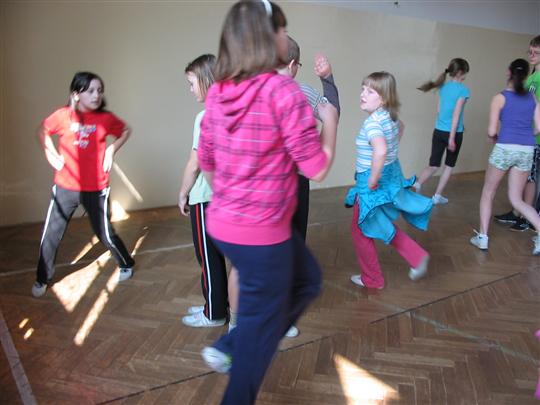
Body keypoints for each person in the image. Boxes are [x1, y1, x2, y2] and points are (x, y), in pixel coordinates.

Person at [197, 1, 338, 404]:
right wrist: (331, 125)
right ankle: (239, 350)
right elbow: (316, 168)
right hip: (263, 235)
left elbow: (207, 160)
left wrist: (232, 200)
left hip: (225, 226)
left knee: (307, 279)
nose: (285, 36)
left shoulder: (219, 91)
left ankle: (233, 343)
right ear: (264, 37)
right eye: (281, 29)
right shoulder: (283, 91)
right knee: (257, 348)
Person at [226, 36, 341, 338]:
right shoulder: (299, 92)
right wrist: (328, 80)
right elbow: (332, 114)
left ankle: (238, 323)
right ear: (292, 65)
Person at [32, 72, 135, 298]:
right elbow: (42, 130)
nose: (96, 95)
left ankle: (126, 263)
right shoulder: (63, 115)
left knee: (105, 233)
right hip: (65, 187)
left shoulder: (105, 118)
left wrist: (111, 149)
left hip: (96, 188)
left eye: (99, 90)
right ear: (76, 94)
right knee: (51, 235)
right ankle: (42, 277)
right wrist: (50, 153)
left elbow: (126, 130)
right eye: (90, 91)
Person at [345, 71, 432, 290]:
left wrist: (373, 180)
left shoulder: (372, 123)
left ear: (383, 98)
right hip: (389, 177)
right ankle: (415, 256)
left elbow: (381, 150)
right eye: (363, 89)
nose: (362, 94)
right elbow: (401, 128)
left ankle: (373, 279)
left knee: (360, 229)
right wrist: (391, 154)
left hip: (371, 182)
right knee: (376, 223)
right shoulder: (389, 117)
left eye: (370, 91)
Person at [178, 54, 230, 328]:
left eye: (191, 83)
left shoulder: (205, 117)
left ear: (206, 80)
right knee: (216, 256)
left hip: (204, 198)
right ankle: (216, 303)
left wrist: (183, 192)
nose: (190, 90)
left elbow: (195, 162)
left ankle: (214, 314)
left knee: (208, 258)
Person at [470, 59, 540, 255]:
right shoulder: (532, 98)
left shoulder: (499, 98)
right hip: (526, 149)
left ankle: (483, 238)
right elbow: (539, 128)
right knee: (517, 199)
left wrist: (494, 138)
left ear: (508, 72)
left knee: (488, 192)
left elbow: (492, 131)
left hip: (504, 148)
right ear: (525, 76)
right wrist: (525, 136)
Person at [494, 35, 540, 231]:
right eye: (530, 52)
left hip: (533, 137)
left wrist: (533, 131)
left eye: (536, 53)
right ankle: (517, 212)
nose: (531, 55)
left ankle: (526, 217)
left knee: (530, 178)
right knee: (523, 177)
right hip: (524, 138)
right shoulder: (531, 77)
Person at [413, 58, 470, 205]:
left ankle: (416, 185)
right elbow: (456, 114)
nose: (466, 75)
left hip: (438, 131)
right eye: (466, 72)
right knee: (449, 166)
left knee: (433, 165)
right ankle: (437, 197)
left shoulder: (443, 87)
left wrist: (446, 127)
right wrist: (451, 137)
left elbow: (439, 110)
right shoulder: (463, 90)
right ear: (460, 73)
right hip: (454, 134)